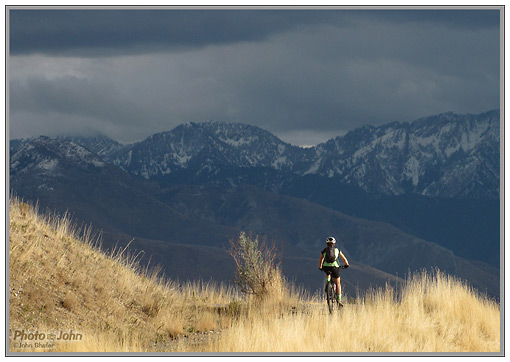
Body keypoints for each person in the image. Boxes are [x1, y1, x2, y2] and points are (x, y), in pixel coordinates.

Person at [319, 236, 349, 305]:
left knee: (327, 273)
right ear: (334, 244)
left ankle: (327, 284)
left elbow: (321, 259)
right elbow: (344, 259)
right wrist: (346, 265)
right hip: (335, 267)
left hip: (326, 267)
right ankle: (339, 300)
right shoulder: (337, 250)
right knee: (338, 283)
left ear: (327, 244)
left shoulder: (324, 250)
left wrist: (320, 267)